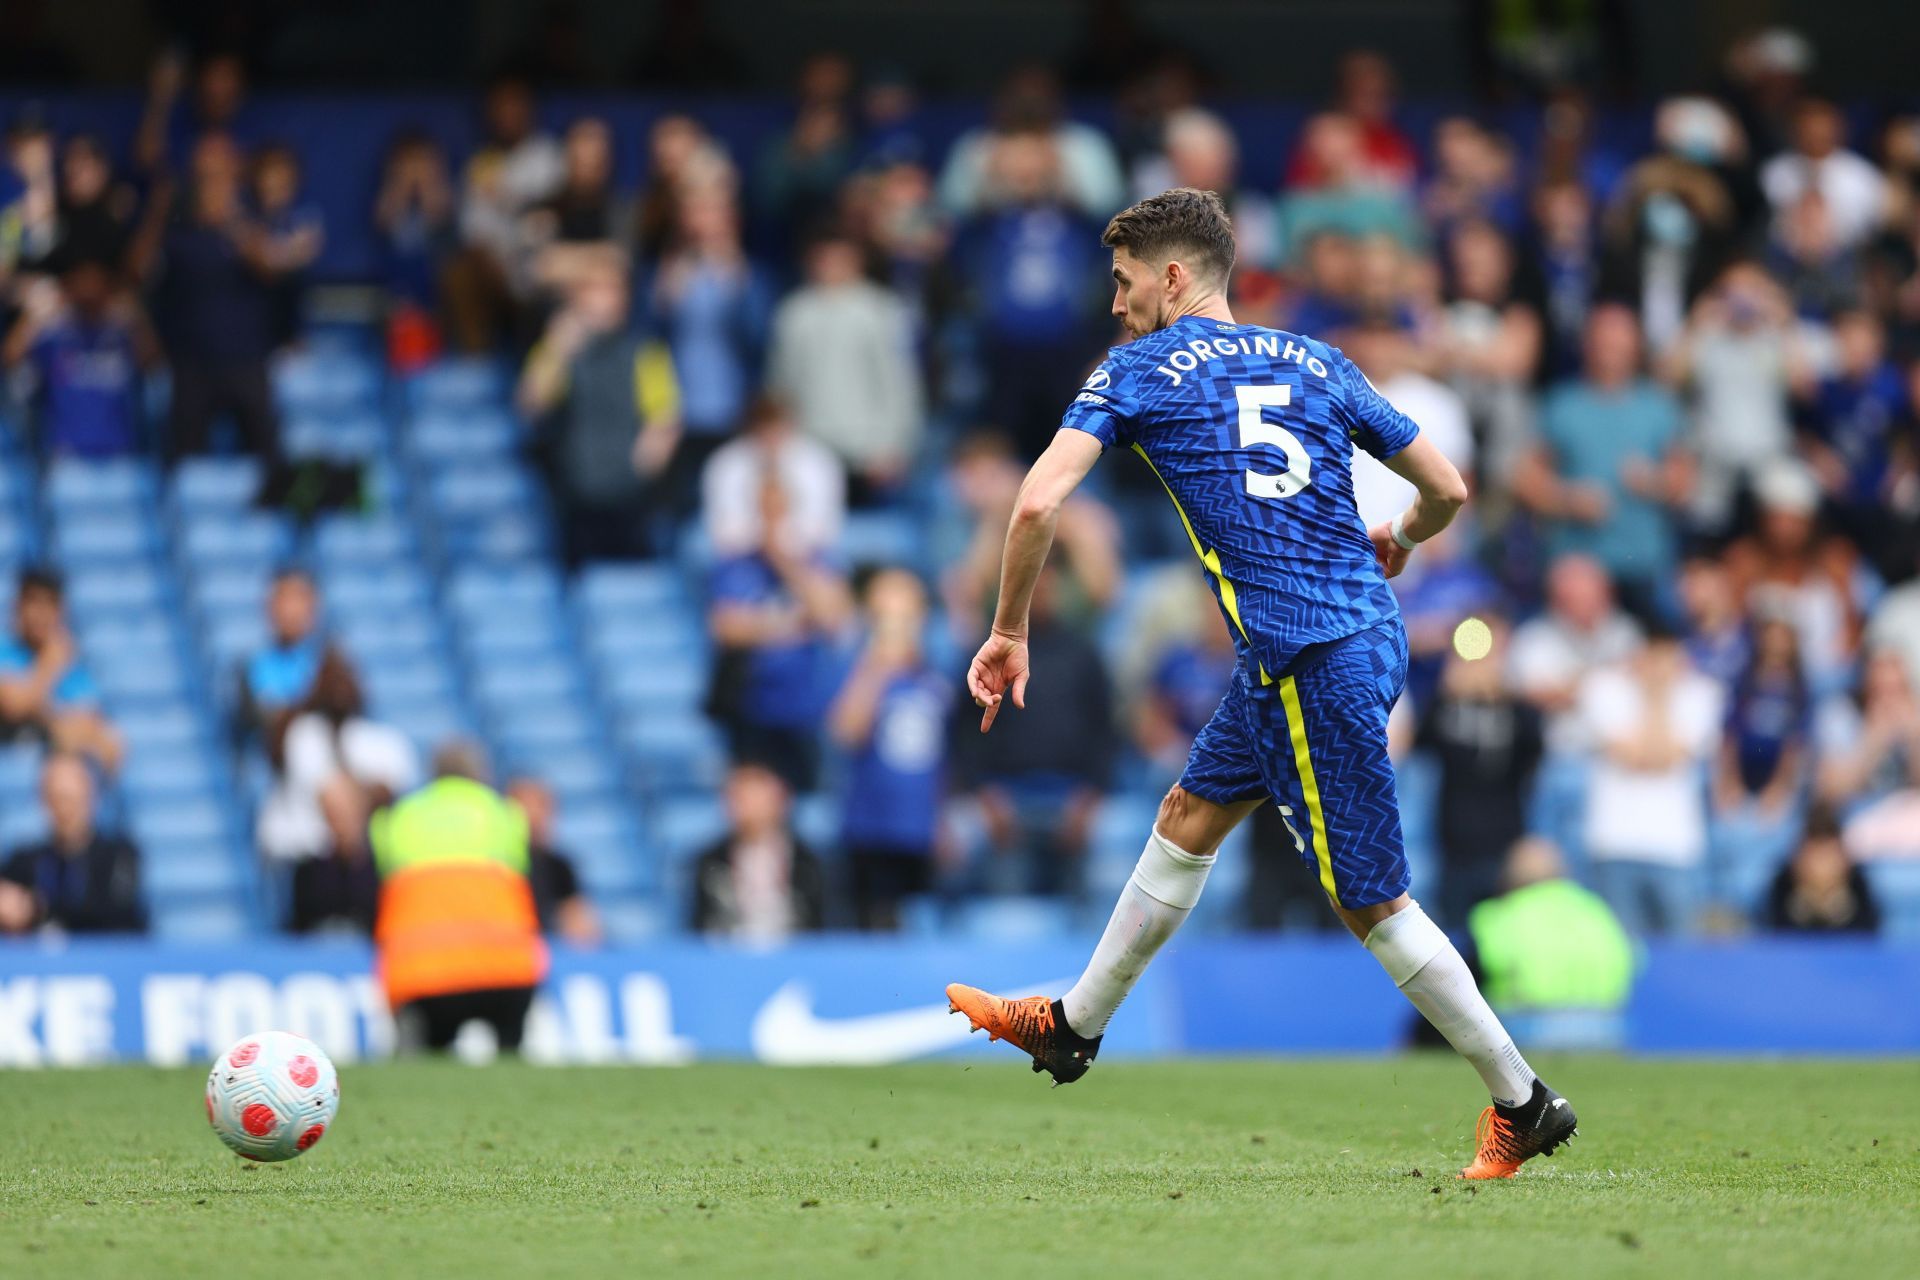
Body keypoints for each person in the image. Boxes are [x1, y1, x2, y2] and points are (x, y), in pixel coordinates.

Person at [944, 189, 1576, 1180]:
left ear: (1173, 276)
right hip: (1346, 633)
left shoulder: (1137, 369)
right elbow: (1450, 487)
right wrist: (1400, 539)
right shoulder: (1317, 357)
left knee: (1374, 901)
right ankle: (1073, 1024)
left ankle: (1523, 1098)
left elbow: (1034, 503)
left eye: (1121, 282)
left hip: (1308, 651)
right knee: (1190, 812)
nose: (1114, 305)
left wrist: (1008, 627)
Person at [370, 741, 548, 1055]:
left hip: (423, 975)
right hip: (506, 969)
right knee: (510, 1052)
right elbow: (523, 869)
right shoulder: (504, 814)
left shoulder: (401, 817)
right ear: (478, 773)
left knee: (428, 1058)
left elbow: (383, 873)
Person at [517, 250, 681, 565]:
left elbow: (665, 418)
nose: (602, 299)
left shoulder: (646, 352)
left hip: (630, 503)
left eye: (610, 289)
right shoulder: (561, 350)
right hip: (575, 502)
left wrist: (640, 466)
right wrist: (557, 348)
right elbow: (531, 403)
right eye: (592, 289)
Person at [1576, 623, 1723, 935]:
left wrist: (1658, 695)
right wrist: (1655, 694)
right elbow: (1636, 757)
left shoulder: (1703, 693)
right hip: (1614, 841)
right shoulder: (1602, 687)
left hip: (1676, 847)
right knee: (1623, 954)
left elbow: (1665, 758)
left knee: (1682, 958)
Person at [828, 568, 951, 931]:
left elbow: (952, 753)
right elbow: (846, 732)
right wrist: (878, 668)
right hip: (871, 830)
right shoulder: (856, 668)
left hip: (924, 829)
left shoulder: (937, 673)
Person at [764, 225, 923, 501]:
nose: (831, 267)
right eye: (823, 259)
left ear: (856, 261)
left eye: (839, 259)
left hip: (869, 450)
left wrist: (895, 445)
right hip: (808, 446)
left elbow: (899, 382)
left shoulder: (881, 309)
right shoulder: (793, 313)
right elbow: (780, 383)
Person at [1415, 619, 1544, 928]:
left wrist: (1506, 694)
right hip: (1454, 842)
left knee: (1507, 931)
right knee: (1457, 931)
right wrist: (1447, 694)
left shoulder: (1516, 706)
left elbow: (1534, 750)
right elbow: (1423, 745)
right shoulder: (1445, 702)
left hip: (1506, 837)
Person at [257, 649, 420, 865]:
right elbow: (319, 790)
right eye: (331, 681)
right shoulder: (303, 735)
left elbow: (393, 783)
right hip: (306, 854)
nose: (339, 690)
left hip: (360, 860)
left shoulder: (374, 739)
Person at [1465, 837, 1634, 1033]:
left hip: (1528, 1025)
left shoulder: (1497, 914)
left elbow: (1467, 977)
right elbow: (1632, 958)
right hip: (1607, 1027)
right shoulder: (1596, 908)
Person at [2, 257, 158, 458]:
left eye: (96, 284)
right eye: (81, 284)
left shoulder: (122, 333)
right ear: (70, 291)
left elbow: (153, 363)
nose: (89, 292)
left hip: (120, 455)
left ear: (107, 290)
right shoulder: (56, 335)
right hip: (66, 456)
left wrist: (137, 318)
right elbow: (11, 357)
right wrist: (36, 315)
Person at [0, 754, 146, 936]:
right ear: (43, 801)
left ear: (92, 797)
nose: (64, 810)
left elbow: (116, 914)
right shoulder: (24, 862)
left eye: (71, 799)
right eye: (55, 799)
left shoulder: (119, 855)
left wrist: (37, 910)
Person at [0, 568, 121, 773]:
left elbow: (106, 742)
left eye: (50, 603)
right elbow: (13, 704)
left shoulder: (75, 667)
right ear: (18, 605)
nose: (40, 613)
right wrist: (50, 664)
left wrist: (41, 710)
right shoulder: (6, 651)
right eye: (33, 601)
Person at [689, 762, 828, 940]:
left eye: (756, 797)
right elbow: (700, 929)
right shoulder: (709, 861)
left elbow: (820, 929)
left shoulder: (808, 862)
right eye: (739, 797)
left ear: (780, 801)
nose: (747, 807)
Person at [505, 776, 603, 946]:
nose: (534, 815)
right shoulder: (498, 867)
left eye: (541, 806)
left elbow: (581, 927)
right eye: (525, 807)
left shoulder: (560, 867)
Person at [236, 566, 325, 746]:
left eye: (299, 598)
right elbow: (264, 718)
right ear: (269, 606)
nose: (292, 610)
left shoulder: (328, 666)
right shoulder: (253, 666)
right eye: (284, 598)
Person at [1764, 807, 1881, 934]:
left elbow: (1865, 938)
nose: (1822, 867)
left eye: (1829, 856)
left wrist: (1836, 907)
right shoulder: (1782, 886)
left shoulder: (1859, 887)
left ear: (1845, 860)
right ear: (1798, 860)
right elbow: (1777, 936)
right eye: (1815, 857)